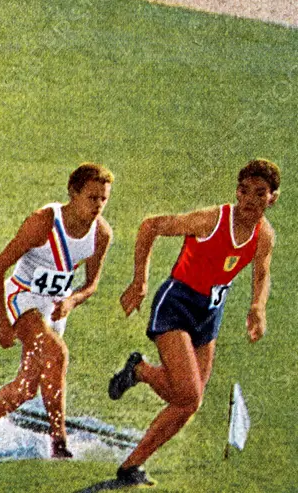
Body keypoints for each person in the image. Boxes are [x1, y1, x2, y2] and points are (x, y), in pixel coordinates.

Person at [107, 160, 279, 487]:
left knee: (189, 402)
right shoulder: (212, 220)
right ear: (236, 191)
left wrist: (258, 306)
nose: (250, 201)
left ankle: (131, 464)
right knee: (188, 394)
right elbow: (150, 226)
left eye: (260, 194)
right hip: (177, 305)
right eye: (244, 192)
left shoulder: (264, 235)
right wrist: (139, 282)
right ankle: (140, 371)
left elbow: (262, 272)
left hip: (209, 315)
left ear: (272, 198)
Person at [0, 164, 114, 460]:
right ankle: (58, 440)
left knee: (25, 389)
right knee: (57, 353)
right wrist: (3, 325)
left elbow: (91, 285)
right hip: (23, 298)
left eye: (103, 199)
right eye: (91, 198)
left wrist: (72, 300)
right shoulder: (42, 222)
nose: (98, 206)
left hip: (54, 309)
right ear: (72, 194)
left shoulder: (101, 234)